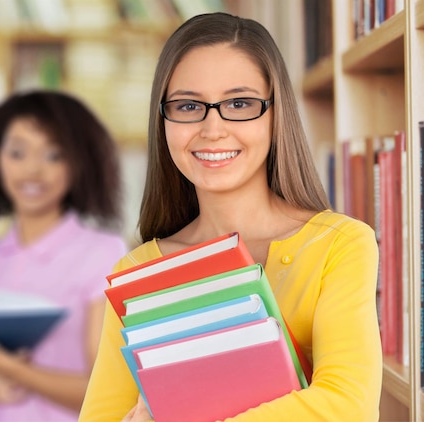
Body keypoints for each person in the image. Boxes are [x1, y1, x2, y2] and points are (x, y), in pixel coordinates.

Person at [79, 12, 382, 422]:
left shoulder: (339, 244)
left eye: (239, 103)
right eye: (188, 106)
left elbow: (349, 407)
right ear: (163, 120)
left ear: (276, 116)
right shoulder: (137, 271)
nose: (212, 127)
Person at [0, 90, 128, 421]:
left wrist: (8, 367)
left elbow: (105, 390)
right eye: (17, 152)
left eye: (54, 155)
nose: (32, 170)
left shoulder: (104, 252)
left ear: (78, 163)